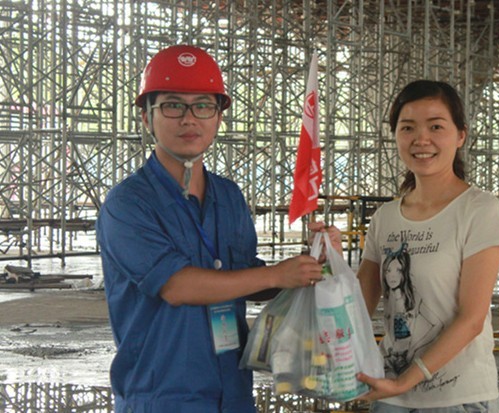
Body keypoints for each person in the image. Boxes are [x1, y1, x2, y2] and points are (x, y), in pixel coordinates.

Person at [95, 44, 338, 413]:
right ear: (146, 117)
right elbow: (177, 286)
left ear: (219, 117)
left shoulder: (228, 196)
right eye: (172, 105)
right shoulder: (127, 204)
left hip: (232, 393)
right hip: (162, 398)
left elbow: (246, 277)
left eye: (203, 106)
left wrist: (308, 264)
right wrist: (276, 274)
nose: (189, 119)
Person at [355, 80, 499, 412]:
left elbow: (471, 319)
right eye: (407, 127)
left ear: (460, 136)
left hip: (457, 399)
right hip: (390, 396)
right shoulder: (385, 218)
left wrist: (406, 380)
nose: (421, 139)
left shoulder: (479, 209)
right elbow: (357, 306)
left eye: (436, 126)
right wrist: (326, 260)